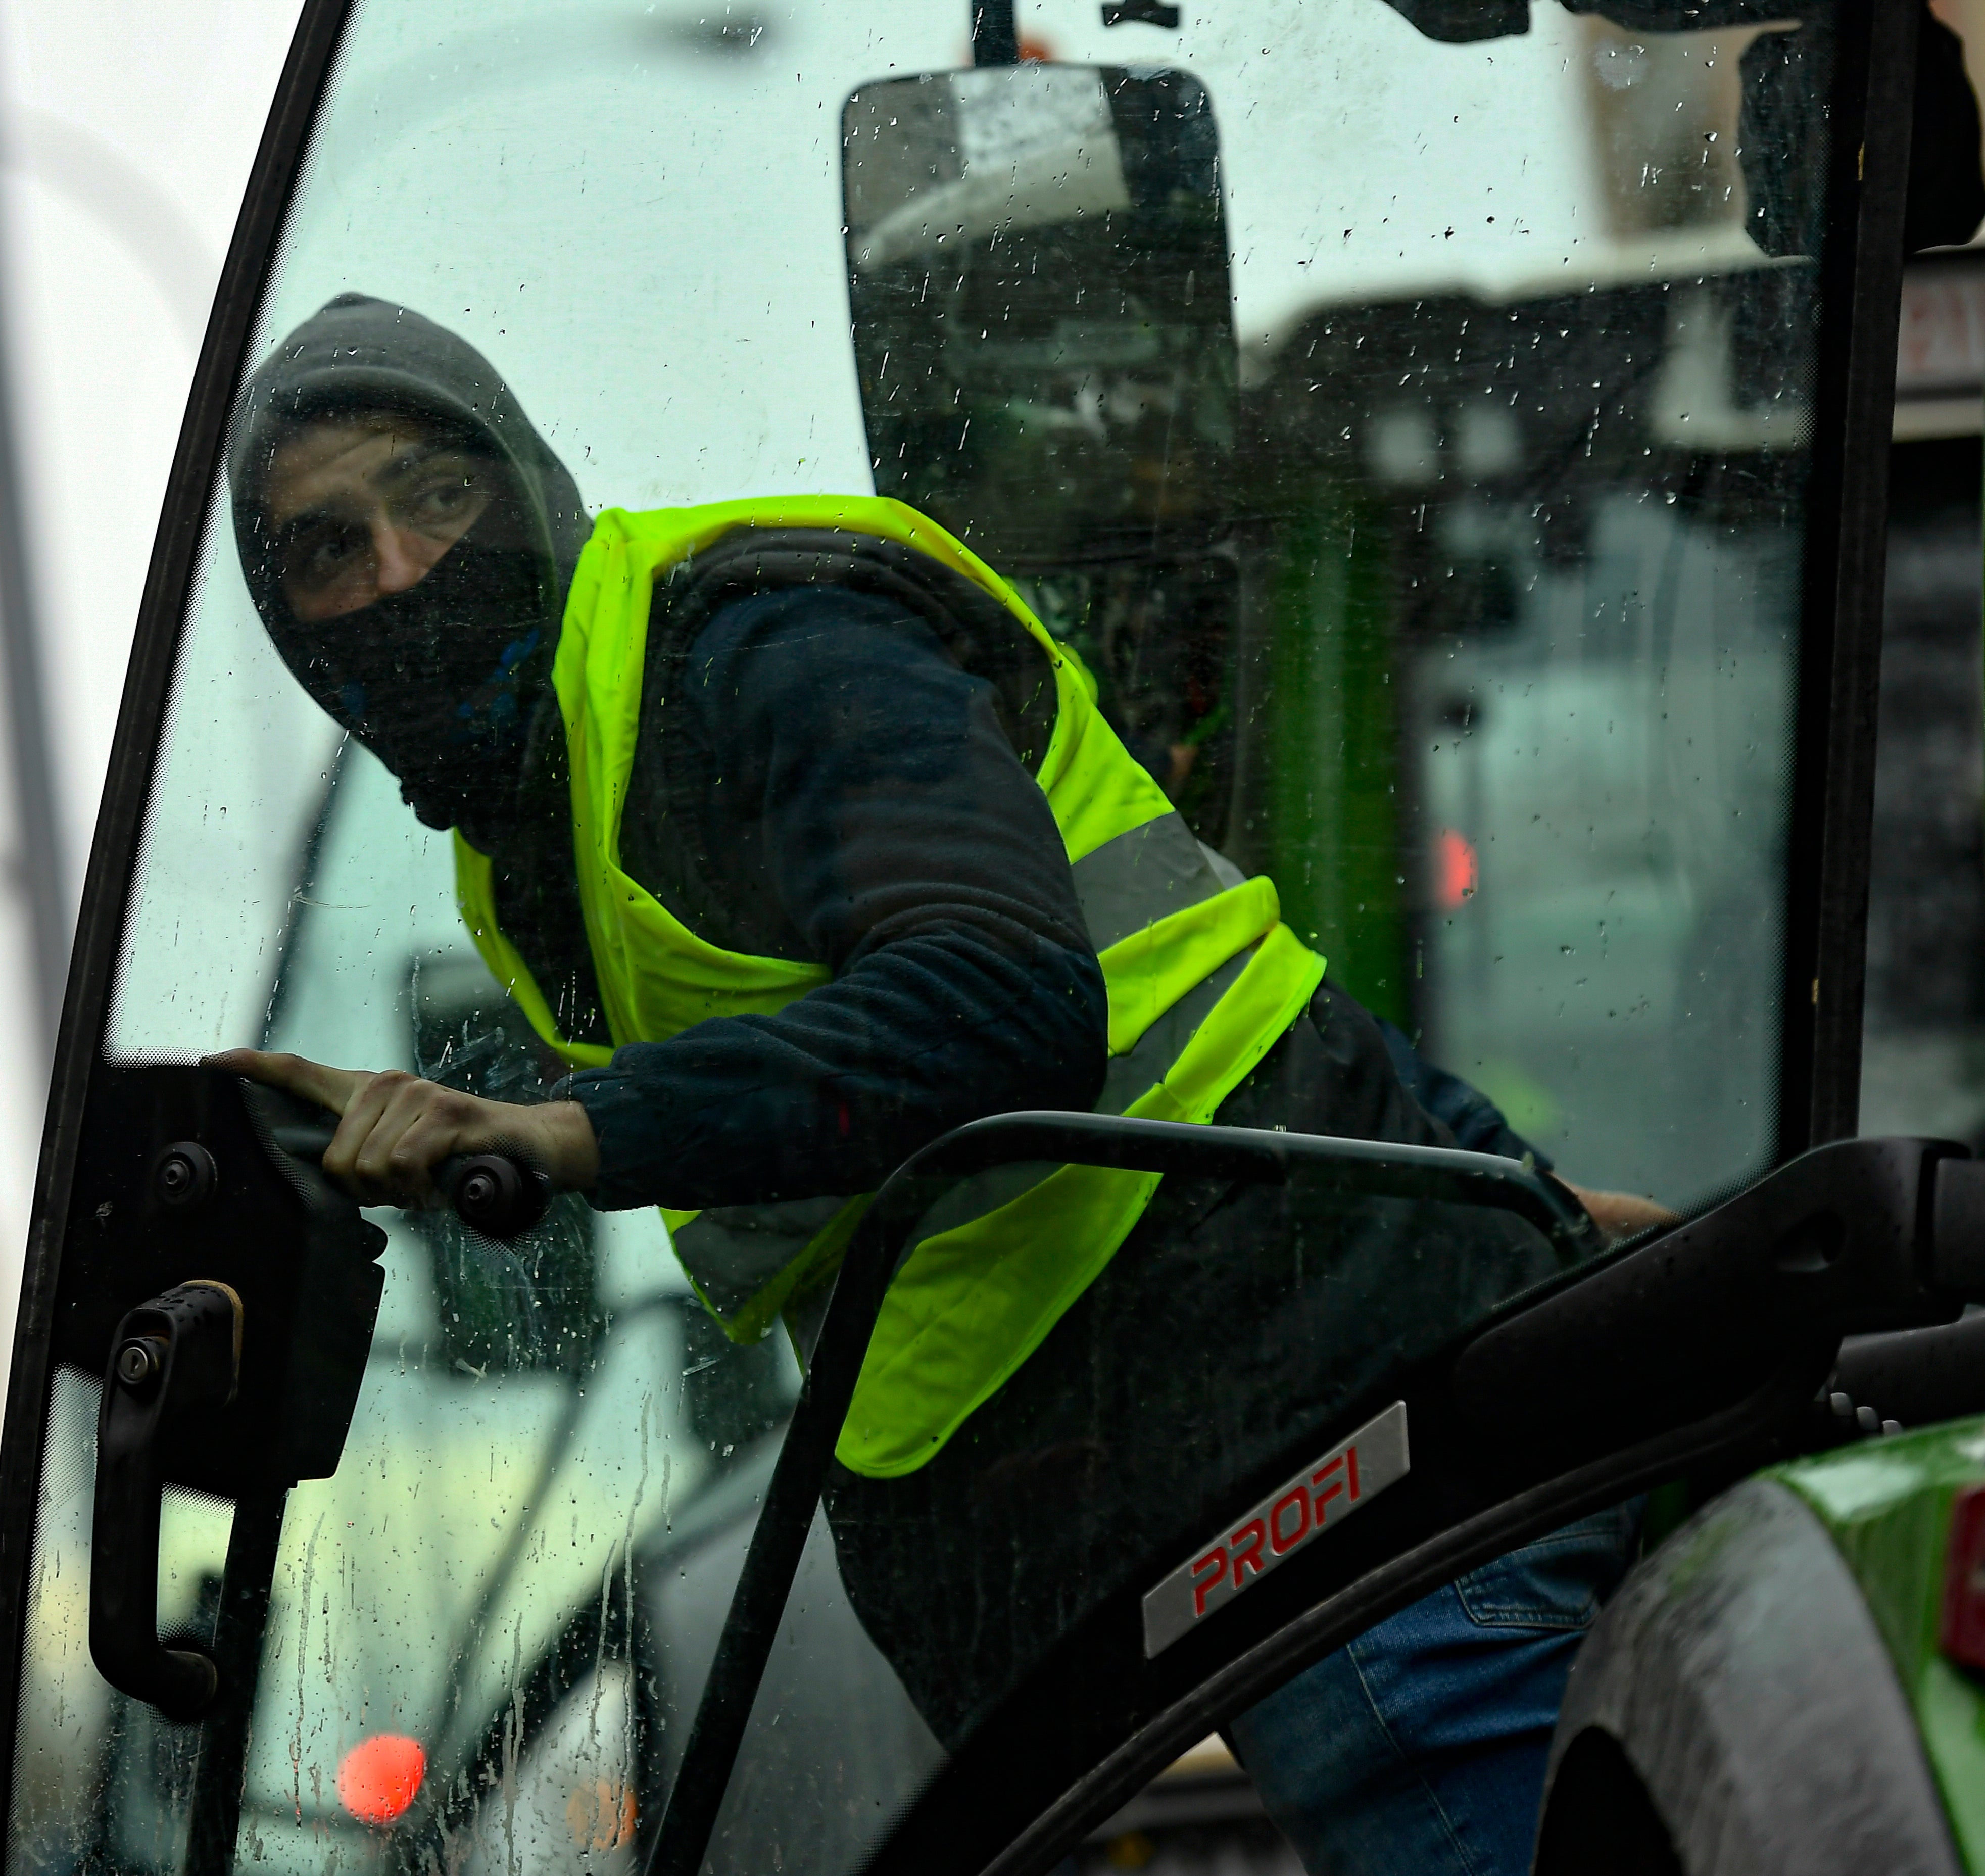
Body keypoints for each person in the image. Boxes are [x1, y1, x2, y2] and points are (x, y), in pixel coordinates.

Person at [206, 293, 1674, 1876]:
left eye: (438, 495)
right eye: (330, 550)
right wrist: (1511, 1214)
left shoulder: (756, 646)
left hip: (1286, 1401)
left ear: (530, 485)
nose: (402, 571)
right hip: (1172, 1414)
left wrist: (567, 1132)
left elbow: (1005, 1000)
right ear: (295, 637)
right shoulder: (535, 836)